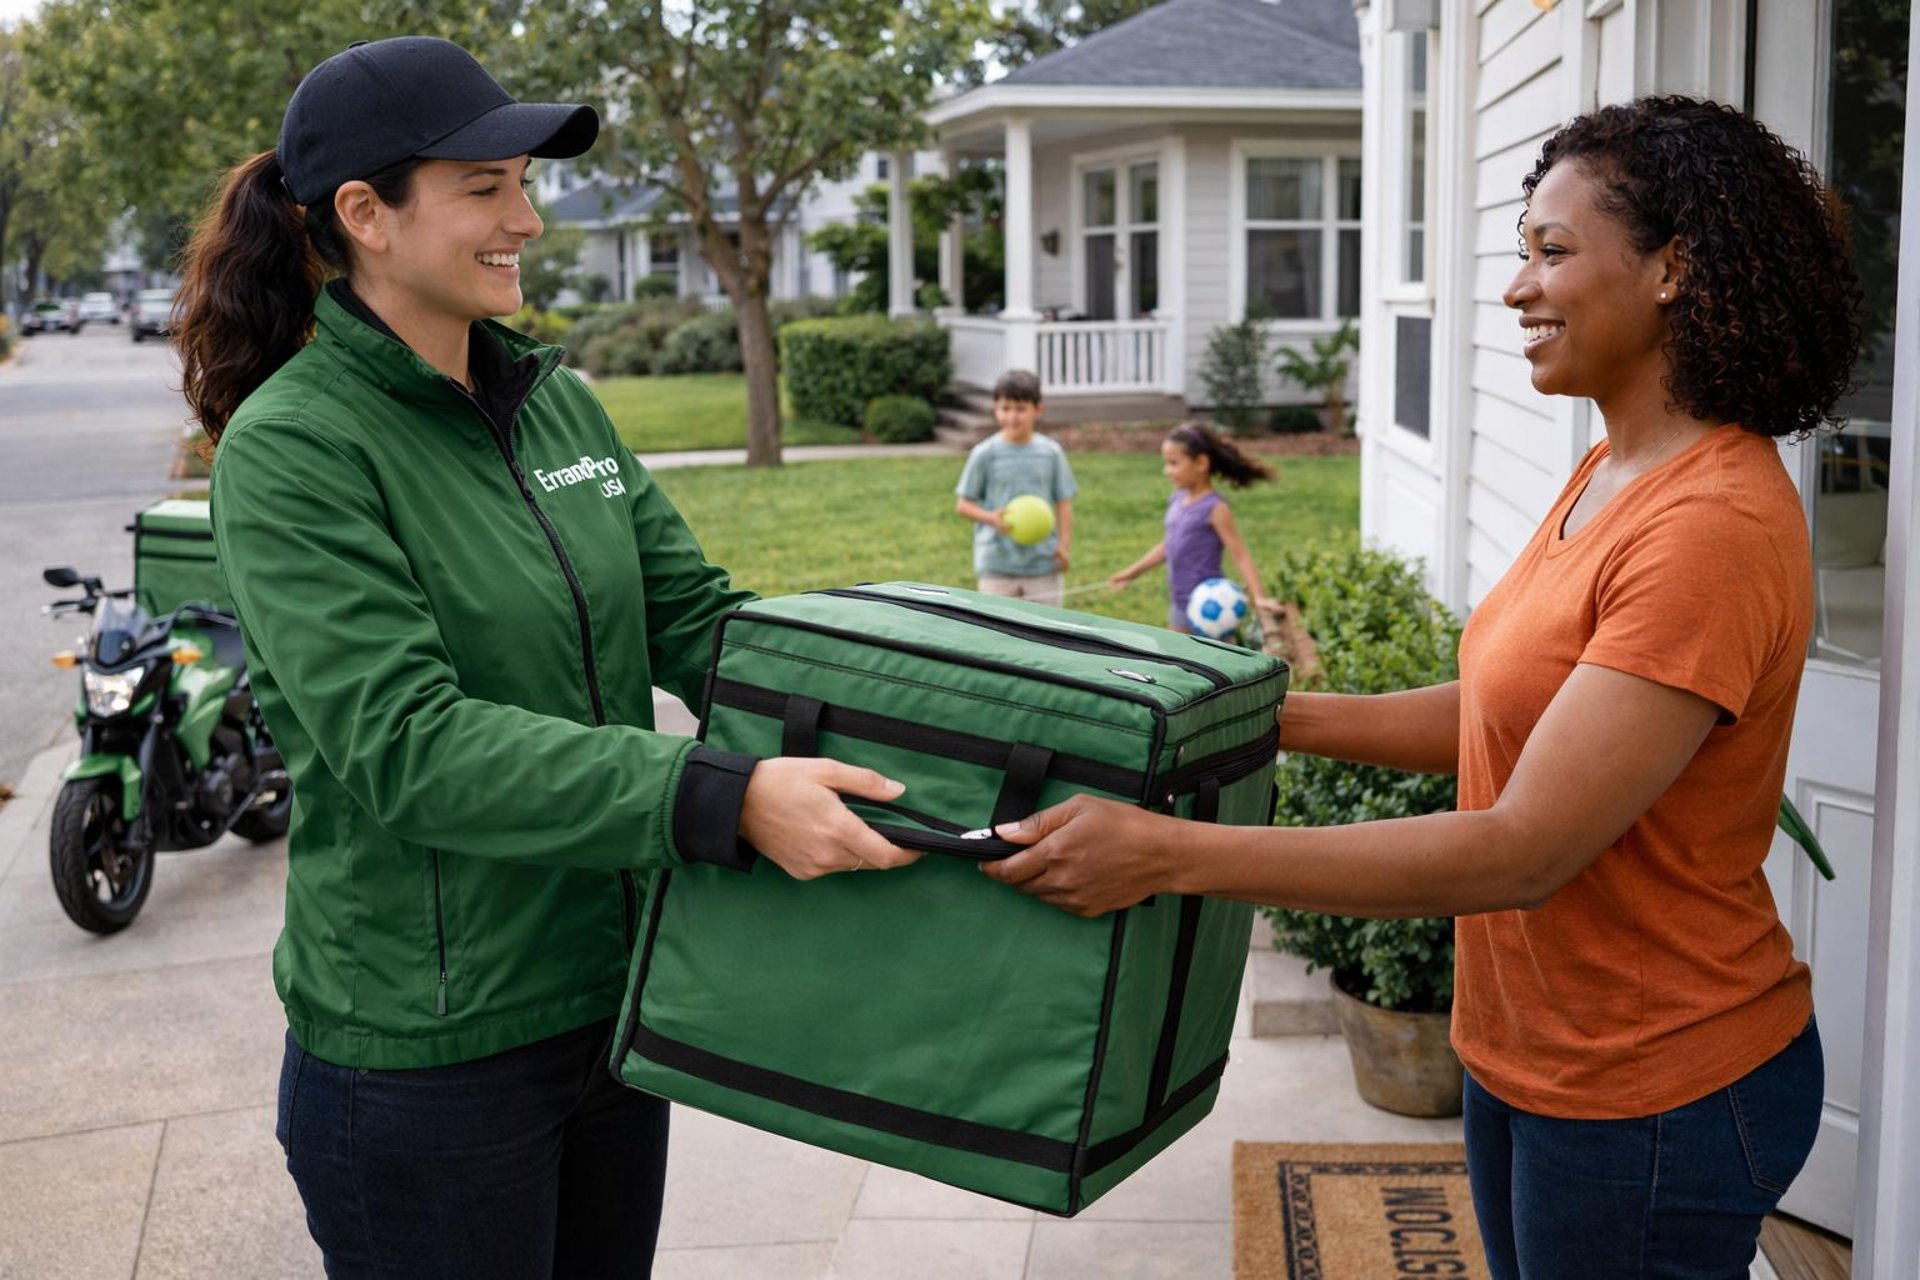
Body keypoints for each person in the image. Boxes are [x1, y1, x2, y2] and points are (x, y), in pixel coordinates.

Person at [979, 97, 1859, 1278]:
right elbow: (1499, 715)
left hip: (1654, 1084)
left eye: (1553, 251)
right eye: (1521, 250)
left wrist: (1165, 853)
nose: (1516, 287)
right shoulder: (1614, 468)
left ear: (1673, 269)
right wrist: (1255, 720)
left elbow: (1520, 847)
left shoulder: (1710, 523)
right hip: (1528, 1050)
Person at [174, 36, 914, 1278]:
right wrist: (720, 796)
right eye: (485, 188)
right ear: (365, 214)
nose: (527, 220)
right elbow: (410, 746)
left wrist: (943, 698)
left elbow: (700, 620)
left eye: (524, 184)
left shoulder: (552, 403)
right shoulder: (295, 448)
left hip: (612, 1005)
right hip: (428, 1062)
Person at [1107, 421, 1280, 633]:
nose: (1166, 471)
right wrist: (1131, 573)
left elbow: (1241, 555)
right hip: (1180, 604)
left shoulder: (1215, 508)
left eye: (1174, 463)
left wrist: (1259, 597)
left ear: (1201, 463)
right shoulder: (1177, 499)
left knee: (1209, 655)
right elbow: (1170, 545)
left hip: (1211, 608)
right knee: (1177, 653)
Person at [954, 368, 1076, 607]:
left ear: (1037, 410)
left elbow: (1063, 504)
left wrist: (1063, 546)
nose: (1012, 417)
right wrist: (991, 518)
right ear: (995, 409)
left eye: (1020, 409)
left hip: (1043, 563)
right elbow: (963, 505)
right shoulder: (984, 454)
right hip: (997, 563)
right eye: (1005, 408)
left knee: (1044, 627)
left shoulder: (1051, 453)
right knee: (997, 628)